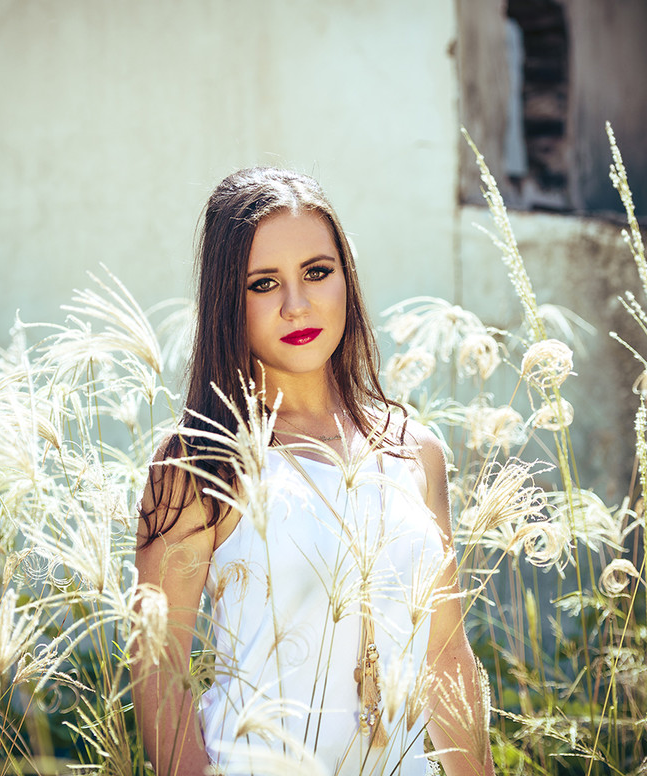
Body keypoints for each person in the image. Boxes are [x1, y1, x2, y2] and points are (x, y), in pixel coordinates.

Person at [133, 167, 495, 776]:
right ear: (227, 300)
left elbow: (445, 656)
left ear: (345, 278)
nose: (296, 305)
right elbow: (158, 669)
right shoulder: (199, 461)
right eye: (264, 283)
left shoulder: (415, 451)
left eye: (317, 272)